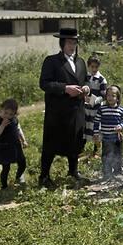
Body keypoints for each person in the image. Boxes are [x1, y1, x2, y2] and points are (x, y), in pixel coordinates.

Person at [38, 28, 90, 187]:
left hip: (77, 110)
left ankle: (73, 171)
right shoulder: (52, 61)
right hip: (58, 112)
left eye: (74, 42)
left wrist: (86, 88)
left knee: (75, 140)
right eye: (69, 42)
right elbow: (44, 84)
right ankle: (44, 176)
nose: (72, 46)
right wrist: (65, 88)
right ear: (62, 44)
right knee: (51, 143)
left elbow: (85, 80)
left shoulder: (80, 62)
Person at [0, 99, 28, 189]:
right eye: (5, 113)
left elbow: (18, 129)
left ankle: (19, 177)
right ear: (1, 109)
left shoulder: (14, 120)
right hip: (4, 147)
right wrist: (2, 125)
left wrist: (23, 140)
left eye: (11, 114)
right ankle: (4, 186)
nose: (7, 116)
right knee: (6, 168)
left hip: (15, 146)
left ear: (15, 114)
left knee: (22, 163)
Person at [94, 85, 123, 180]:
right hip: (106, 138)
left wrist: (121, 126)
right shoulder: (102, 109)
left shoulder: (121, 110)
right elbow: (97, 121)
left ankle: (117, 173)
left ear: (117, 98)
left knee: (118, 156)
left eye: (113, 96)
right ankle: (107, 174)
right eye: (108, 95)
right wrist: (96, 133)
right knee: (106, 156)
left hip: (117, 138)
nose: (110, 97)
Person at [84, 54, 108, 157]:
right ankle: (82, 149)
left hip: (96, 108)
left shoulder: (101, 79)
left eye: (96, 67)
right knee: (85, 127)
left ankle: (96, 151)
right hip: (86, 107)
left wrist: (96, 100)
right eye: (92, 67)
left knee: (95, 128)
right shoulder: (86, 77)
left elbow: (104, 96)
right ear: (88, 66)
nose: (94, 69)